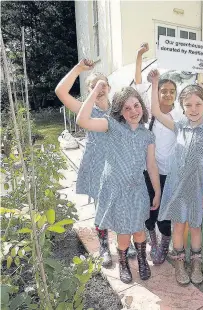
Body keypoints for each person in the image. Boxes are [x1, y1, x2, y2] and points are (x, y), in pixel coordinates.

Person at [76, 80, 161, 284]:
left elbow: (151, 166)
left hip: (137, 189)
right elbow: (82, 120)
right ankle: (123, 262)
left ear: (142, 106)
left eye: (136, 105)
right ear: (120, 112)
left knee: (140, 230)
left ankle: (141, 259)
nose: (133, 111)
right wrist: (96, 90)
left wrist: (156, 191)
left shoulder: (147, 135)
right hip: (116, 190)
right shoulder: (111, 125)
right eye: (127, 108)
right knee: (123, 234)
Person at [149, 69, 203, 285]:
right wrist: (155, 83)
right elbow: (154, 109)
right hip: (177, 185)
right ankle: (180, 263)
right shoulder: (178, 126)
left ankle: (196, 263)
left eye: (198, 104)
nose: (193, 109)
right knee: (179, 225)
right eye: (188, 105)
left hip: (199, 186)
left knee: (195, 226)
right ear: (182, 107)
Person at [55, 59, 115, 267]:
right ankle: (104, 246)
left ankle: (126, 242)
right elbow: (60, 92)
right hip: (97, 164)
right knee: (101, 206)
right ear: (88, 90)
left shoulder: (117, 110)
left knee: (121, 203)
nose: (99, 89)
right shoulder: (85, 110)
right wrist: (78, 69)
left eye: (103, 85)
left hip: (118, 164)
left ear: (109, 87)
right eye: (93, 86)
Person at [133, 42, 179, 264]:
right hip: (149, 170)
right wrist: (140, 56)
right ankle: (152, 238)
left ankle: (164, 244)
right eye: (164, 91)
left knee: (165, 213)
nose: (167, 94)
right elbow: (139, 84)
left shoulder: (179, 117)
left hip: (168, 173)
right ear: (158, 92)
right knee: (149, 208)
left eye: (172, 92)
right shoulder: (149, 112)